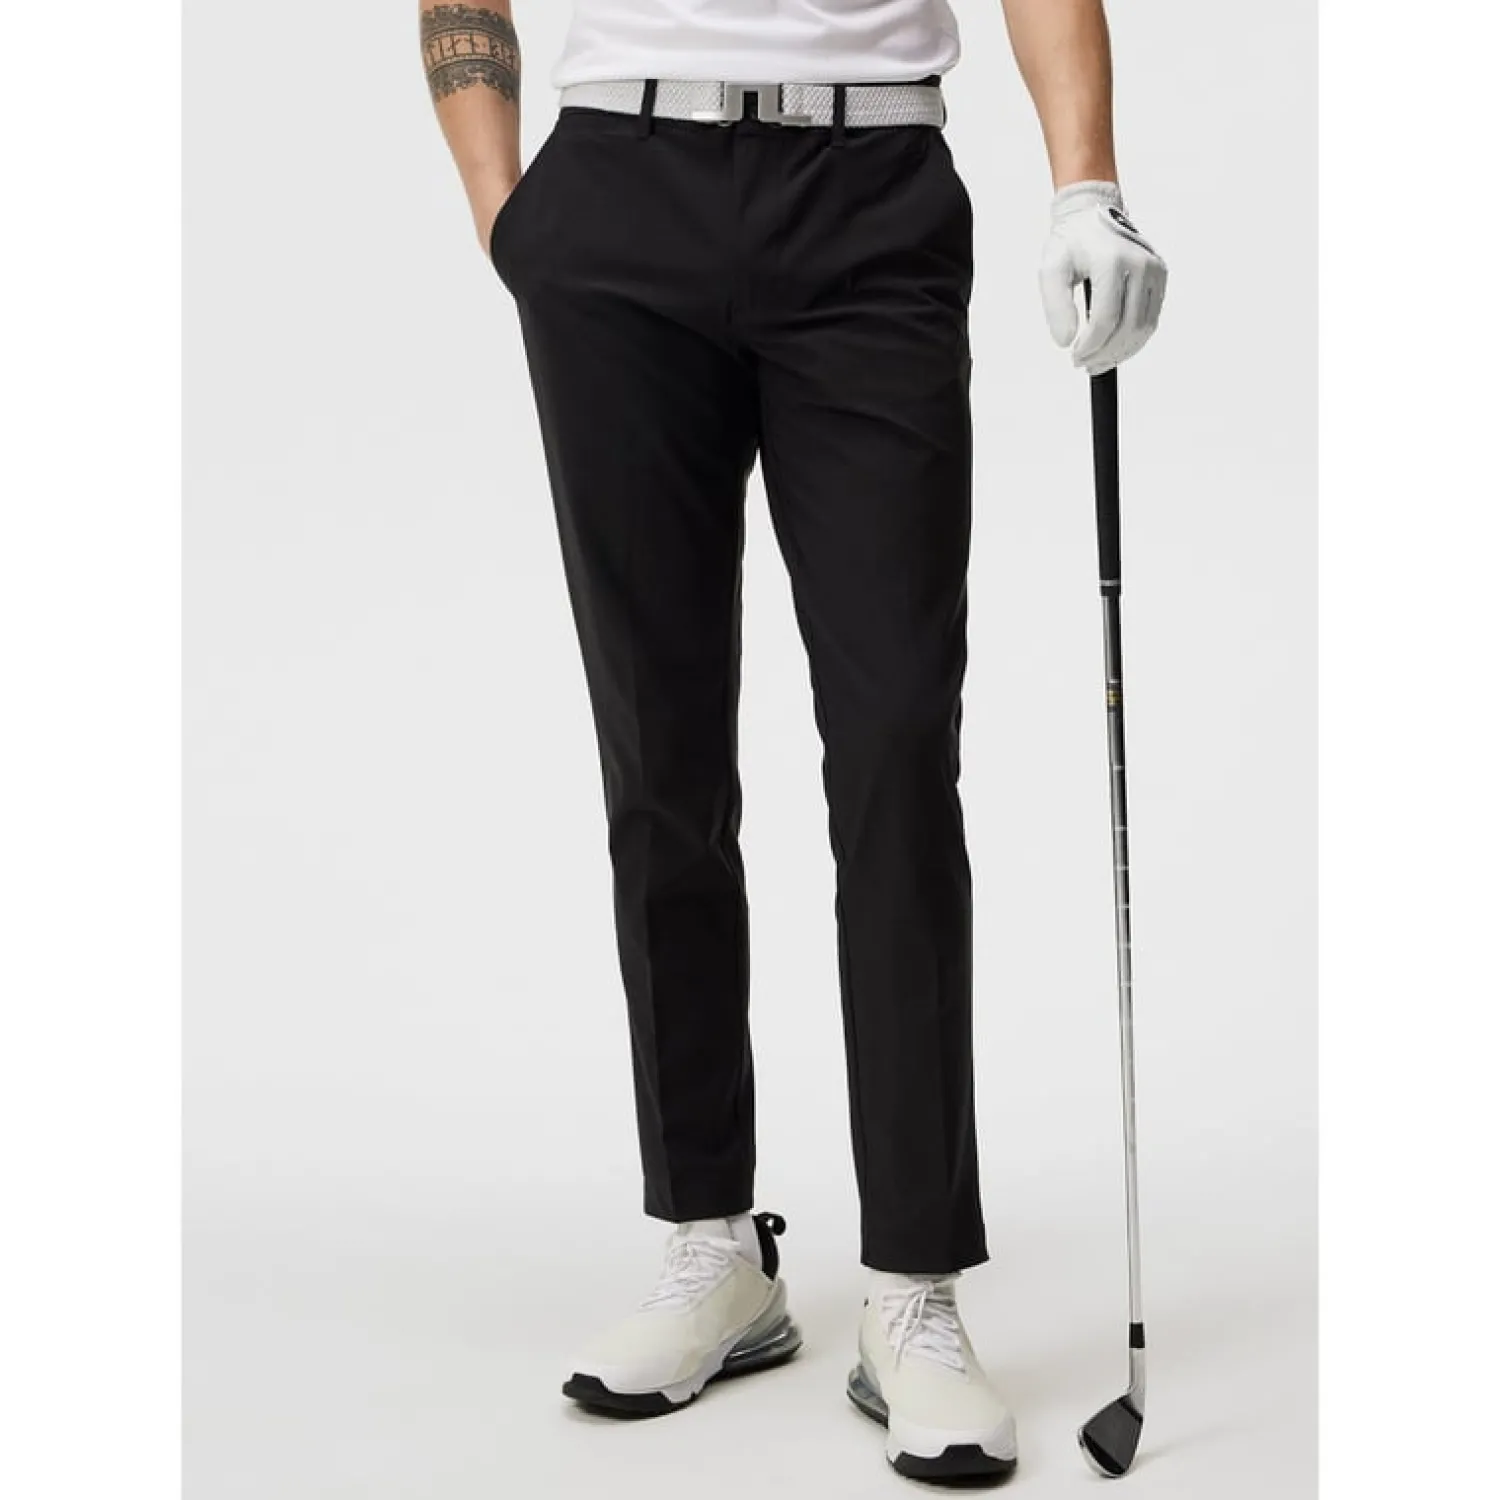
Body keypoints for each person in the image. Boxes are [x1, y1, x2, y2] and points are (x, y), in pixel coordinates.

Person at [420, 0, 1166, 1482]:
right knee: (660, 755)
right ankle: (712, 1243)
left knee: (895, 747)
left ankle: (913, 1284)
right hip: (615, 195)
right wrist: (510, 212)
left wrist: (1084, 183)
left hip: (869, 202)